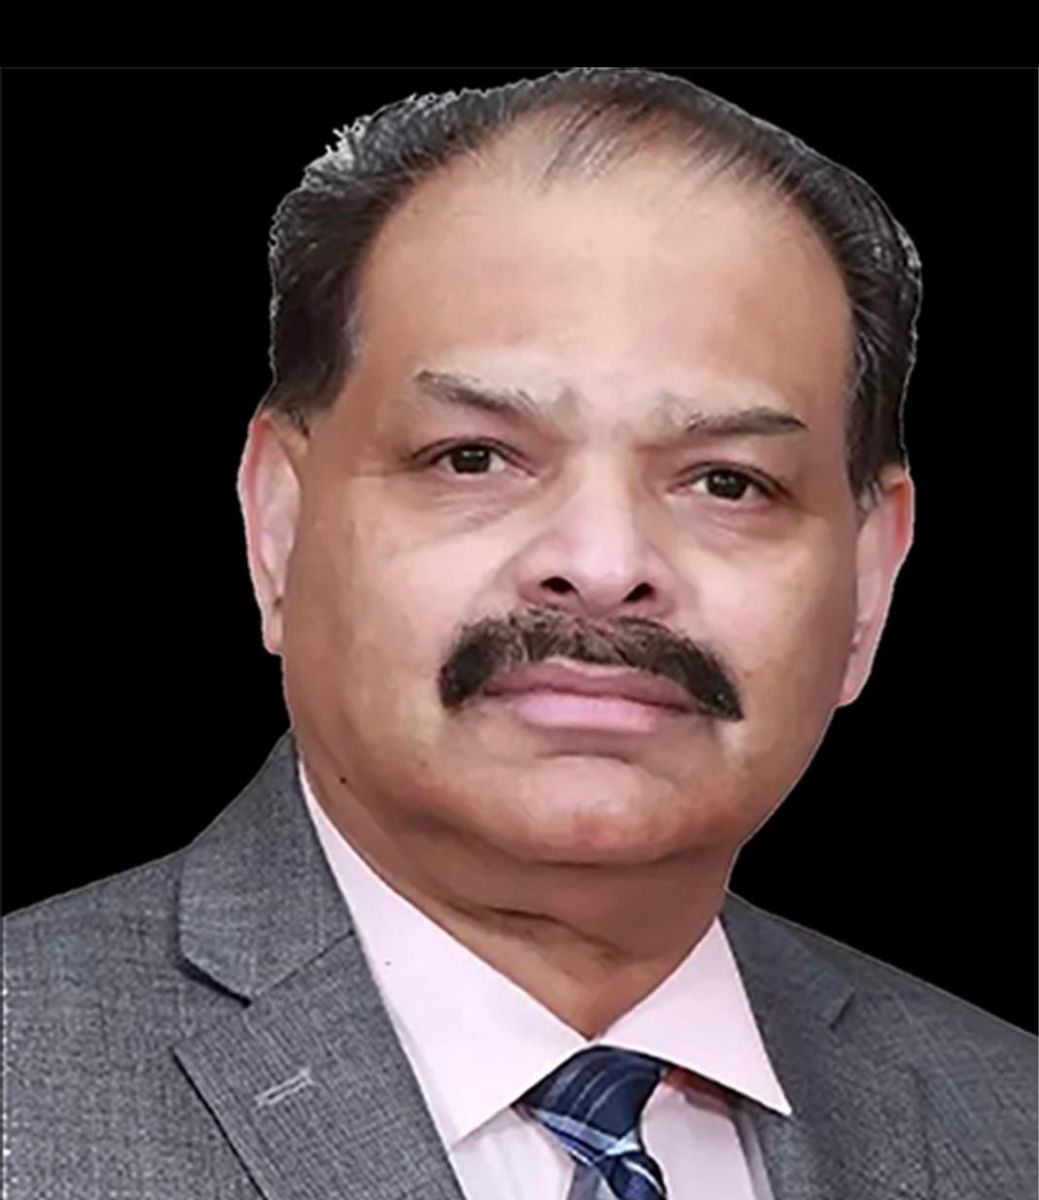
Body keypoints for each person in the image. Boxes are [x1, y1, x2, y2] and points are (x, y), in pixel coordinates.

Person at [3, 67, 1035, 1200]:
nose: (603, 564)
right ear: (278, 525)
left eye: (727, 481)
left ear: (869, 579)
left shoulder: (1009, 1121)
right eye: (474, 458)